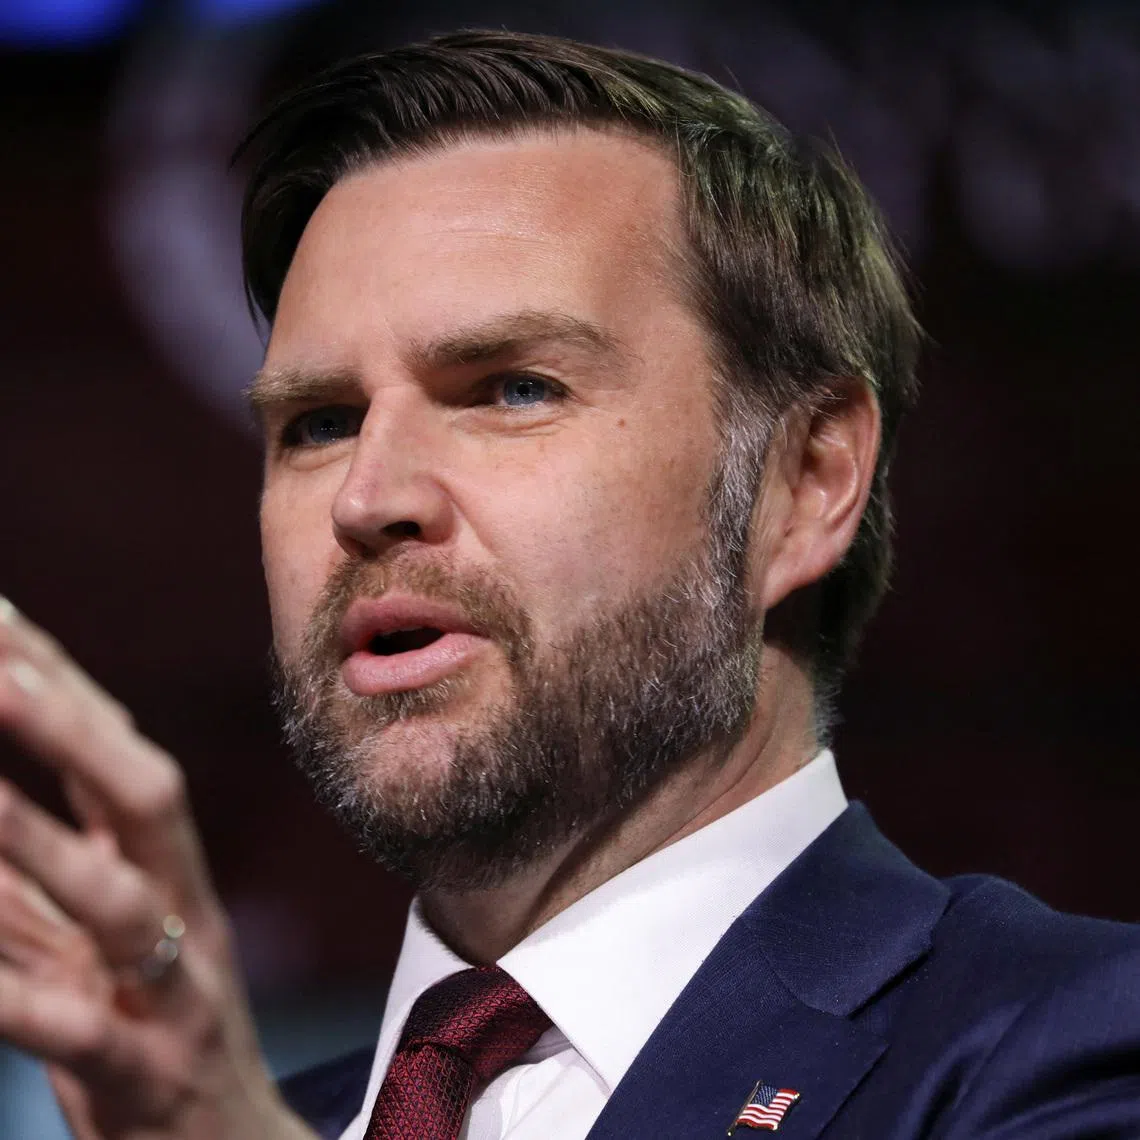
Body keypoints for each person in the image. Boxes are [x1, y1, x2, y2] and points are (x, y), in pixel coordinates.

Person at [0, 28, 1137, 1140]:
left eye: (511, 389)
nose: (366, 495)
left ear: (806, 482)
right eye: (321, 423)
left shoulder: (1066, 1050)